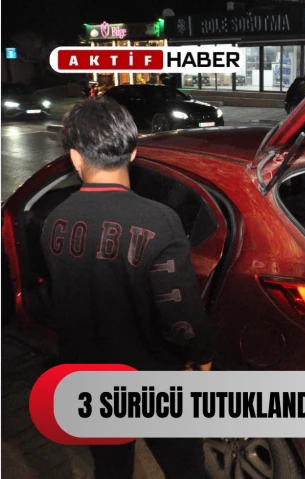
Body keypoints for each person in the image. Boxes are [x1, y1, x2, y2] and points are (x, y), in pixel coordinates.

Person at [42, 97, 213, 479]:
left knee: (110, 468)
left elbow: (65, 299)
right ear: (133, 152)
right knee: (185, 469)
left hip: (91, 378)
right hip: (154, 379)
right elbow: (180, 310)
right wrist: (201, 358)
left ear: (75, 157)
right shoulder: (159, 221)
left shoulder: (55, 220)